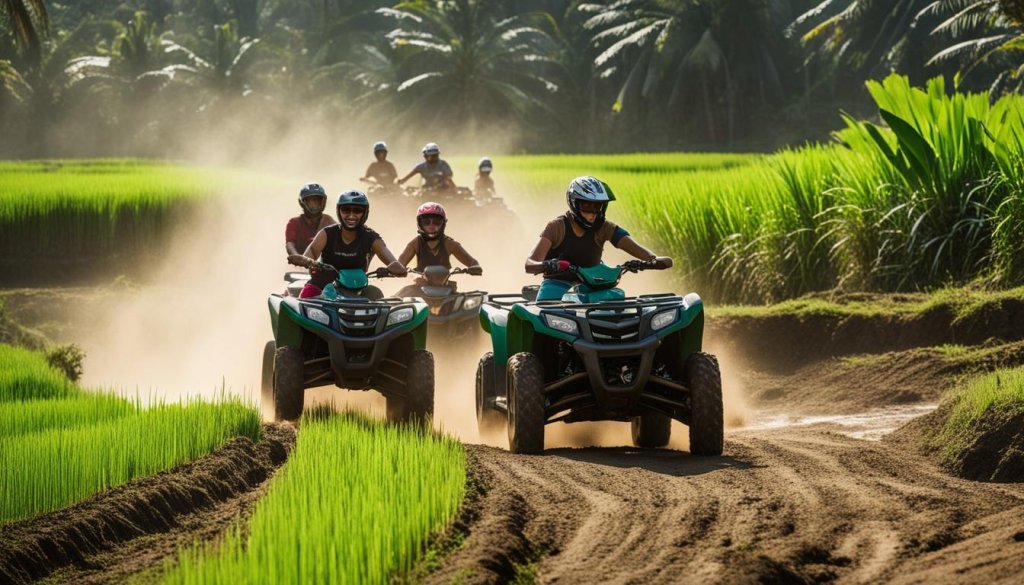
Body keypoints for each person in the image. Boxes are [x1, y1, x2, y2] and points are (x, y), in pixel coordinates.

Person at [525, 176, 672, 301]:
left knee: (616, 301)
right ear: (574, 203)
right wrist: (549, 264)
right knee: (545, 312)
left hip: (592, 283)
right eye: (587, 206)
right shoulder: (556, 227)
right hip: (557, 282)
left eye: (597, 207)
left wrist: (652, 259)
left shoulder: (605, 227)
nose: (593, 213)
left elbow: (634, 247)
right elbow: (530, 263)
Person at [298, 190, 407, 300]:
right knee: (307, 295)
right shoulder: (326, 234)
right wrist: (310, 263)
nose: (351, 215)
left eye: (357, 210)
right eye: (345, 210)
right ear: (338, 211)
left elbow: (392, 260)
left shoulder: (371, 237)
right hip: (322, 287)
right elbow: (309, 255)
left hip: (358, 290)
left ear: (365, 213)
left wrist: (394, 268)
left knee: (375, 294)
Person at [395, 201, 482, 297]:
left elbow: (473, 262)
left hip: (446, 287)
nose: (431, 226)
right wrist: (396, 270)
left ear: (444, 223)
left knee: (471, 304)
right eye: (426, 222)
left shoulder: (450, 244)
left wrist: (475, 268)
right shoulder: (415, 243)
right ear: (419, 223)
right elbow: (400, 264)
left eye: (437, 221)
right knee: (395, 302)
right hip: (419, 287)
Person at [286, 183, 336, 256]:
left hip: (325, 265)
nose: (315, 202)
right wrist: (296, 257)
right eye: (311, 200)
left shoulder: (329, 221)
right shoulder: (294, 223)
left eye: (318, 200)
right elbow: (290, 244)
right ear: (302, 202)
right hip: (301, 265)